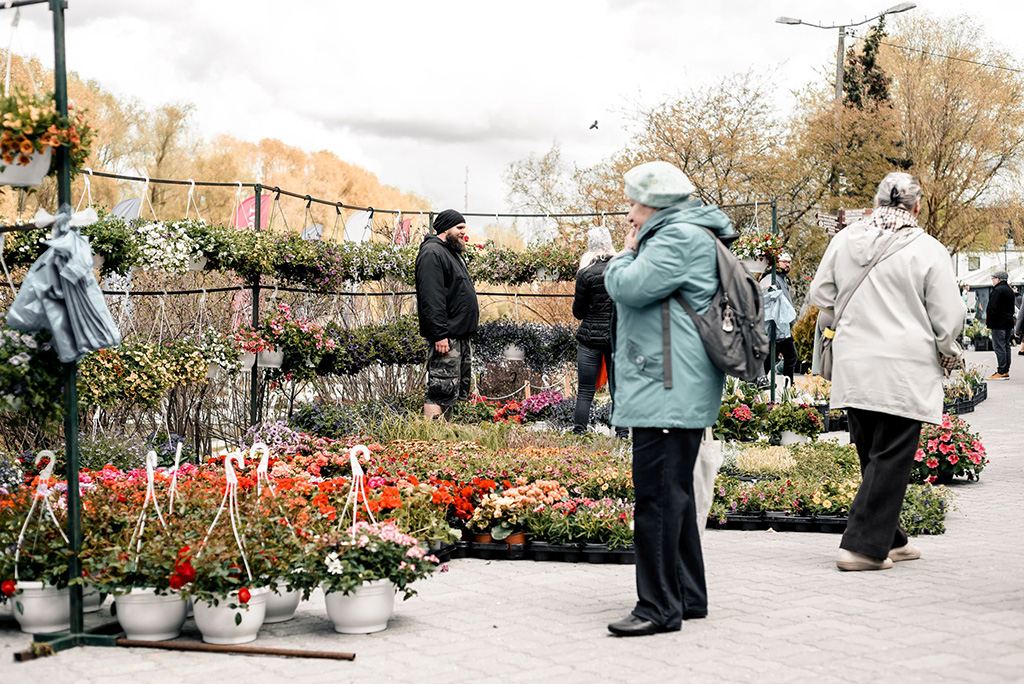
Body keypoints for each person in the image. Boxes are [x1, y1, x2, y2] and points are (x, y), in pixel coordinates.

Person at [808, 172, 964, 572]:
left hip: (854, 362)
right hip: (903, 366)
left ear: (876, 203)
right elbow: (947, 319)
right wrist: (949, 353)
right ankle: (860, 548)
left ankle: (891, 541)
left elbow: (821, 294)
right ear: (916, 206)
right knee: (892, 457)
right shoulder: (929, 250)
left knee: (874, 454)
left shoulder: (844, 240)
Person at [603, 161, 732, 636]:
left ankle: (658, 607)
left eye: (634, 203)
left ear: (654, 202)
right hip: (670, 384)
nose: (631, 213)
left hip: (667, 387)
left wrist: (623, 254)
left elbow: (627, 286)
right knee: (672, 496)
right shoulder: (685, 233)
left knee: (656, 499)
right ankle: (688, 596)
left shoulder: (676, 238)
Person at [414, 209, 480, 418]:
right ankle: (432, 439)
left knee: (452, 391)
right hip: (446, 336)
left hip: (459, 335)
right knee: (439, 390)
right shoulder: (432, 253)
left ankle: (446, 439)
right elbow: (431, 298)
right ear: (445, 229)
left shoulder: (451, 253)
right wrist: (439, 334)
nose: (463, 232)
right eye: (459, 228)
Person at [572, 225, 629, 438]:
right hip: (617, 338)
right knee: (619, 390)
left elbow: (578, 312)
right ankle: (622, 435)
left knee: (585, 391)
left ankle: (579, 434)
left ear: (590, 247)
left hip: (589, 339)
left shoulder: (585, 274)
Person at [760, 251, 798, 382]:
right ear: (776, 262)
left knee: (769, 358)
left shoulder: (781, 278)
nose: (788, 265)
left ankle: (755, 385)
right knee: (791, 356)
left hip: (779, 326)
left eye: (789, 262)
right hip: (777, 326)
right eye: (785, 262)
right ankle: (789, 389)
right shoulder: (771, 278)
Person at [986, 270, 1015, 380]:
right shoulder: (1009, 290)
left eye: (993, 278)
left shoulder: (997, 290)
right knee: (1006, 346)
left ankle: (1001, 371)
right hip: (1008, 322)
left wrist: (990, 321)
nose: (993, 281)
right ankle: (1006, 370)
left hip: (998, 323)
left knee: (999, 347)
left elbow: (992, 308)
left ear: (998, 279)